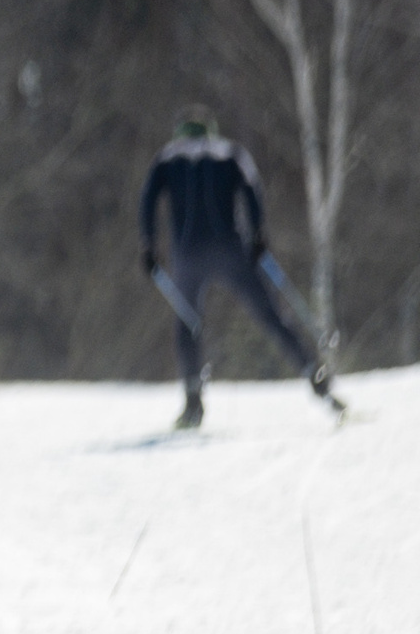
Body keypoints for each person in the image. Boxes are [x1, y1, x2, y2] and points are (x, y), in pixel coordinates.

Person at [138, 109, 332, 430]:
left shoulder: (167, 157)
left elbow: (148, 199)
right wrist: (258, 235)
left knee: (189, 321)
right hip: (231, 249)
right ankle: (317, 378)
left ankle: (192, 401)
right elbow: (252, 188)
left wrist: (148, 245)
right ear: (209, 133)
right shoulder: (229, 152)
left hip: (188, 254)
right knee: (271, 315)